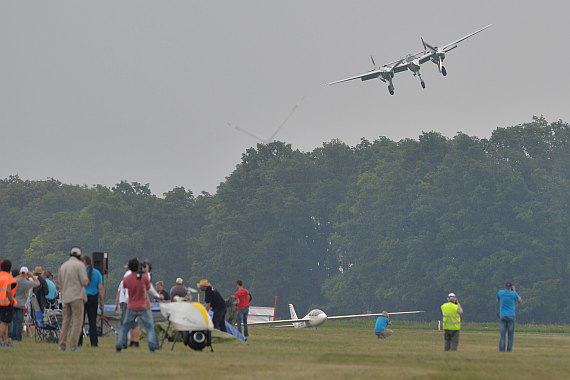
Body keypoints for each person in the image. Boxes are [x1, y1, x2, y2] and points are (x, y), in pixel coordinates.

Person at [115, 257, 157, 353]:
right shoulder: (145, 277)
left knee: (125, 326)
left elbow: (125, 291)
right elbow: (148, 287)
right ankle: (152, 346)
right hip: (144, 306)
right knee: (149, 326)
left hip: (131, 306)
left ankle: (119, 345)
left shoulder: (126, 278)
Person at [58, 246, 89, 352]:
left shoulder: (63, 266)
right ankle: (73, 345)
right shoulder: (79, 265)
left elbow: (61, 284)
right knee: (77, 321)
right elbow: (84, 282)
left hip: (65, 297)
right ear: (79, 256)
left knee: (66, 321)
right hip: (76, 296)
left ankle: (62, 345)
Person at [78, 255, 104, 347]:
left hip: (83, 297)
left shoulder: (82, 272)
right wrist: (102, 302)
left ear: (84, 262)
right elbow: (100, 288)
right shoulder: (97, 273)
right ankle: (94, 342)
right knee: (92, 321)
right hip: (93, 298)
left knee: (80, 321)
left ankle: (79, 341)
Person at [115, 264, 141, 348]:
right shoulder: (137, 277)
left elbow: (121, 292)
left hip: (126, 301)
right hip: (133, 301)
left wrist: (117, 303)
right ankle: (133, 341)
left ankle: (124, 342)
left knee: (125, 322)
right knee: (134, 322)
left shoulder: (125, 278)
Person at [12, 266, 40, 341]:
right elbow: (37, 283)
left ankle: (12, 336)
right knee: (20, 322)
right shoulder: (26, 282)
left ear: (20, 272)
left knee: (13, 321)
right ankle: (18, 338)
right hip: (21, 304)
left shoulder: (14, 280)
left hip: (13, 302)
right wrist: (31, 275)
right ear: (26, 273)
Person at [496, 282, 522, 352]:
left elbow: (497, 300)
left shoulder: (500, 292)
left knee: (502, 334)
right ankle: (509, 350)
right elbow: (520, 300)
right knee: (510, 335)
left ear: (505, 287)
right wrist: (514, 291)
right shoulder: (514, 294)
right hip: (511, 316)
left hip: (503, 316)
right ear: (511, 287)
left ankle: (501, 350)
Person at [0, 259, 17, 347]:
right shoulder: (8, 277)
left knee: (5, 323)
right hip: (6, 303)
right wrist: (12, 301)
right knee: (5, 322)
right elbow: (9, 292)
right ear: (10, 268)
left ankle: (6, 341)